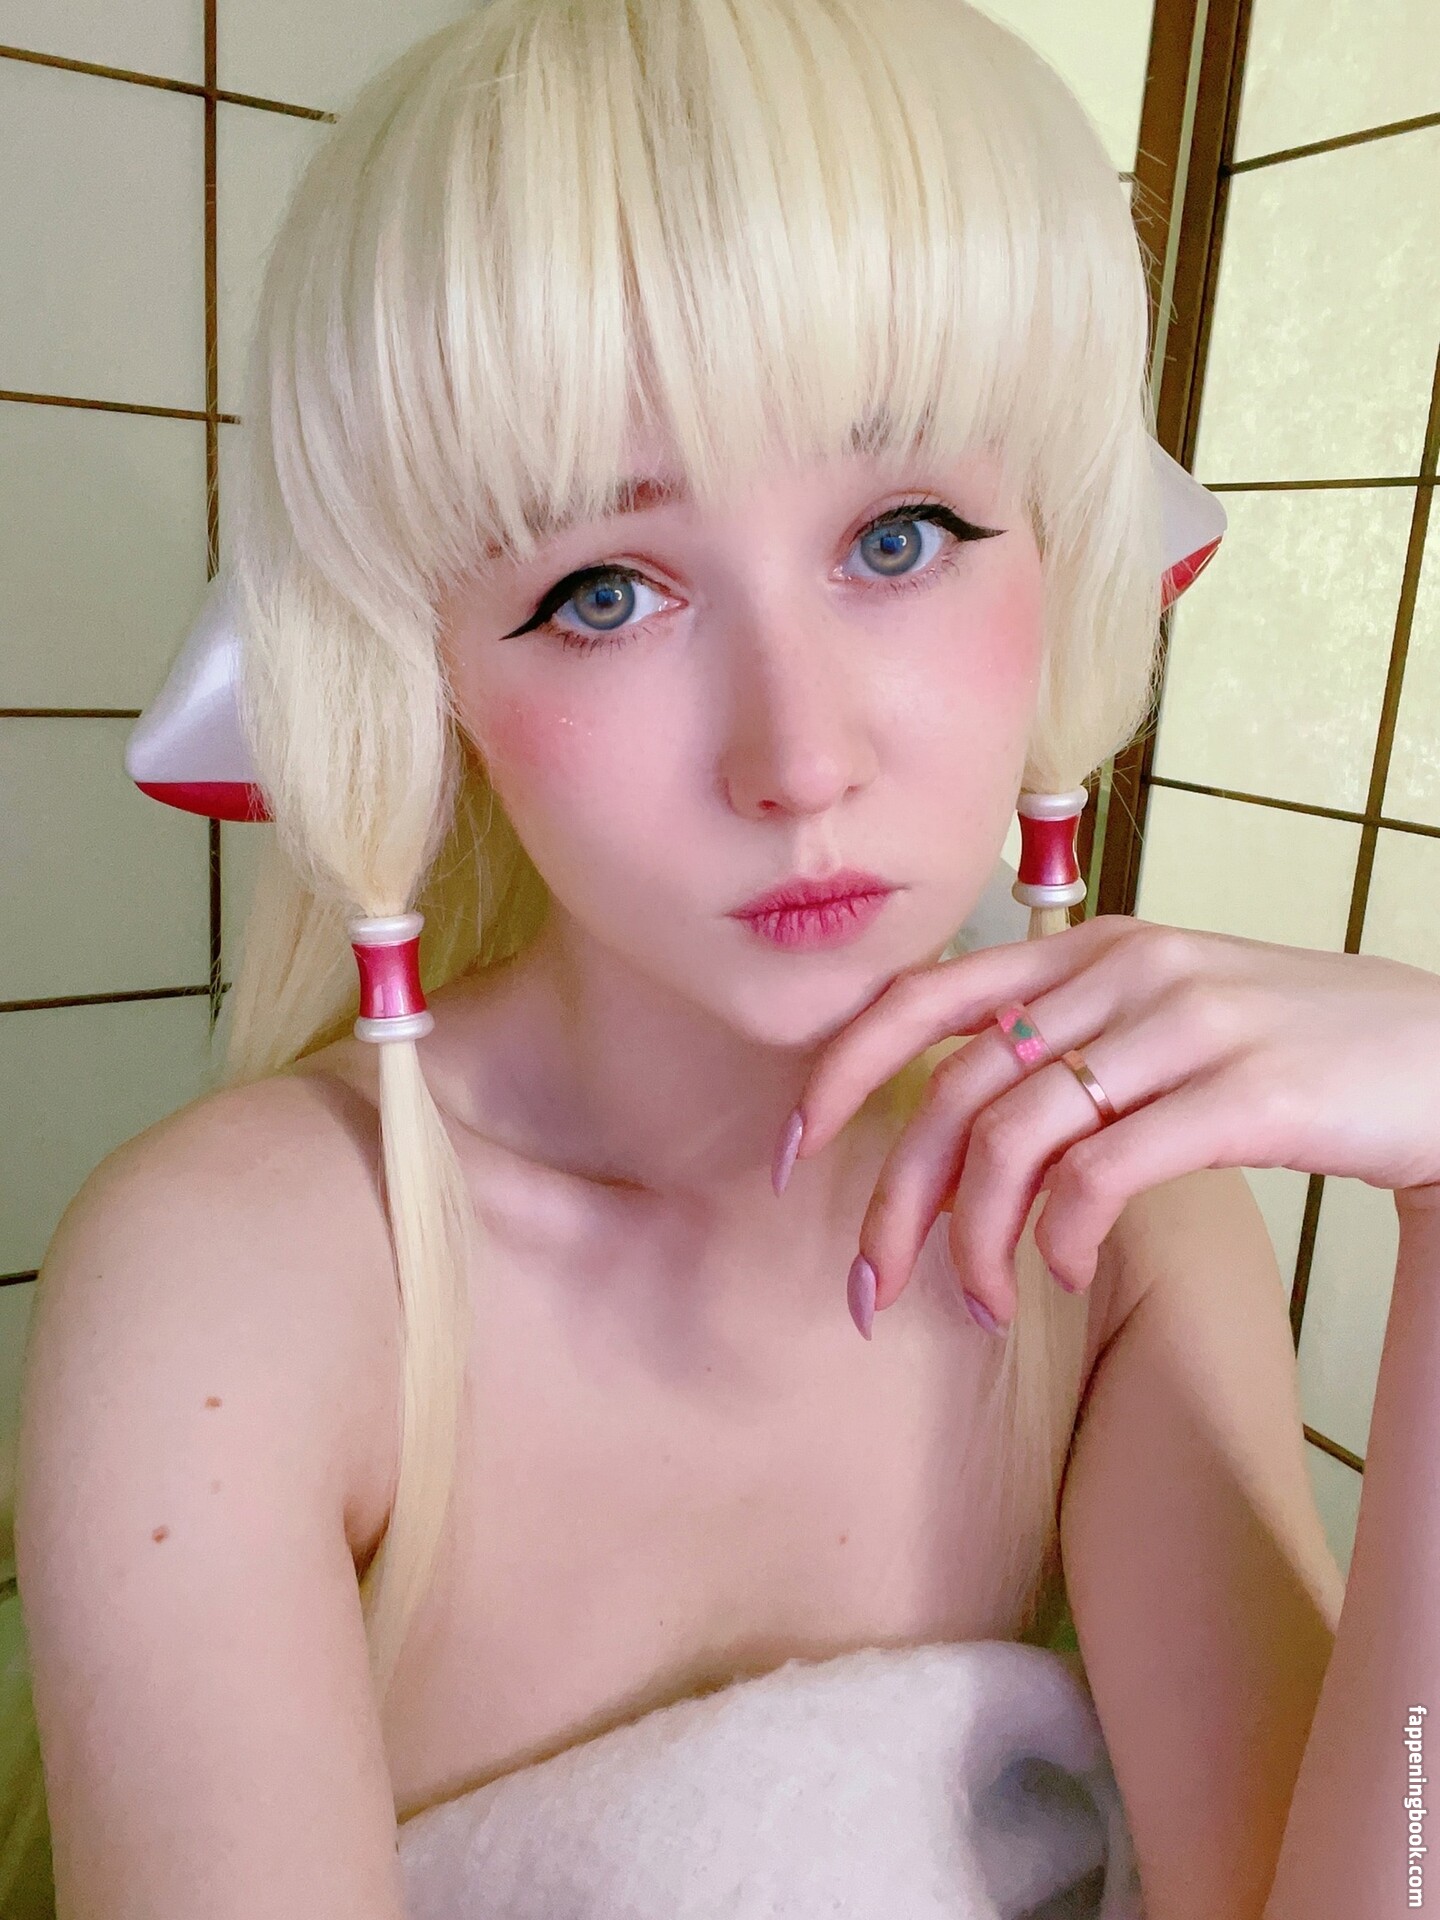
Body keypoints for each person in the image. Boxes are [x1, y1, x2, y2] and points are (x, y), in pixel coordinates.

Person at [10, 1, 1440, 1915]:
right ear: (428, 677)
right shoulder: (250, 1279)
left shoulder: (1113, 1219)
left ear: (1064, 551)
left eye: (904, 534)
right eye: (602, 590)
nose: (800, 758)